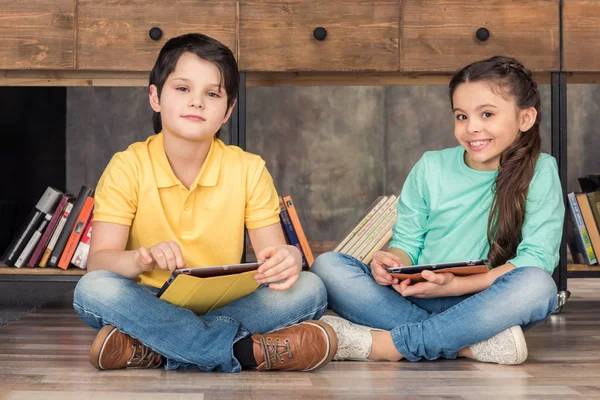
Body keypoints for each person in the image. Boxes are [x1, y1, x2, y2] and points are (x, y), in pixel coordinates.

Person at [73, 33, 336, 373]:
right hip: (149, 302)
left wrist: (288, 258)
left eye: (212, 94)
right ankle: (243, 352)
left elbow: (274, 257)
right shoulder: (127, 166)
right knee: (92, 289)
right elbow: (100, 262)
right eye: (182, 89)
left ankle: (154, 347)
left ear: (228, 111)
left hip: (229, 303)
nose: (196, 102)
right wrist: (141, 258)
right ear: (155, 97)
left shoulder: (248, 169)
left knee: (310, 287)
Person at [312, 55, 564, 365]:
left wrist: (458, 285)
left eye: (487, 114)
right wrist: (391, 264)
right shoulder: (431, 165)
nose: (472, 128)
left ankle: (389, 344)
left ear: (525, 119)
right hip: (417, 296)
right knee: (328, 266)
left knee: (538, 285)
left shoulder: (541, 170)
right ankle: (466, 346)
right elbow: (407, 242)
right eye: (461, 116)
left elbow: (537, 258)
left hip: (485, 303)